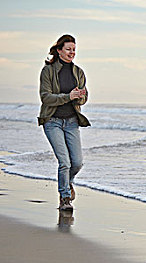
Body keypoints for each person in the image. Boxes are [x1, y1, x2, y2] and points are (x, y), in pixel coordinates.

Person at [38, 34, 90, 211]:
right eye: (68, 49)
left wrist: (80, 97)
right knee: (64, 162)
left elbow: (84, 97)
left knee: (77, 162)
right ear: (59, 50)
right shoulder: (48, 71)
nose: (72, 52)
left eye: (74, 49)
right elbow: (46, 98)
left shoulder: (79, 72)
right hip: (52, 121)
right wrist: (68, 96)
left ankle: (68, 183)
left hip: (72, 122)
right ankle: (65, 198)